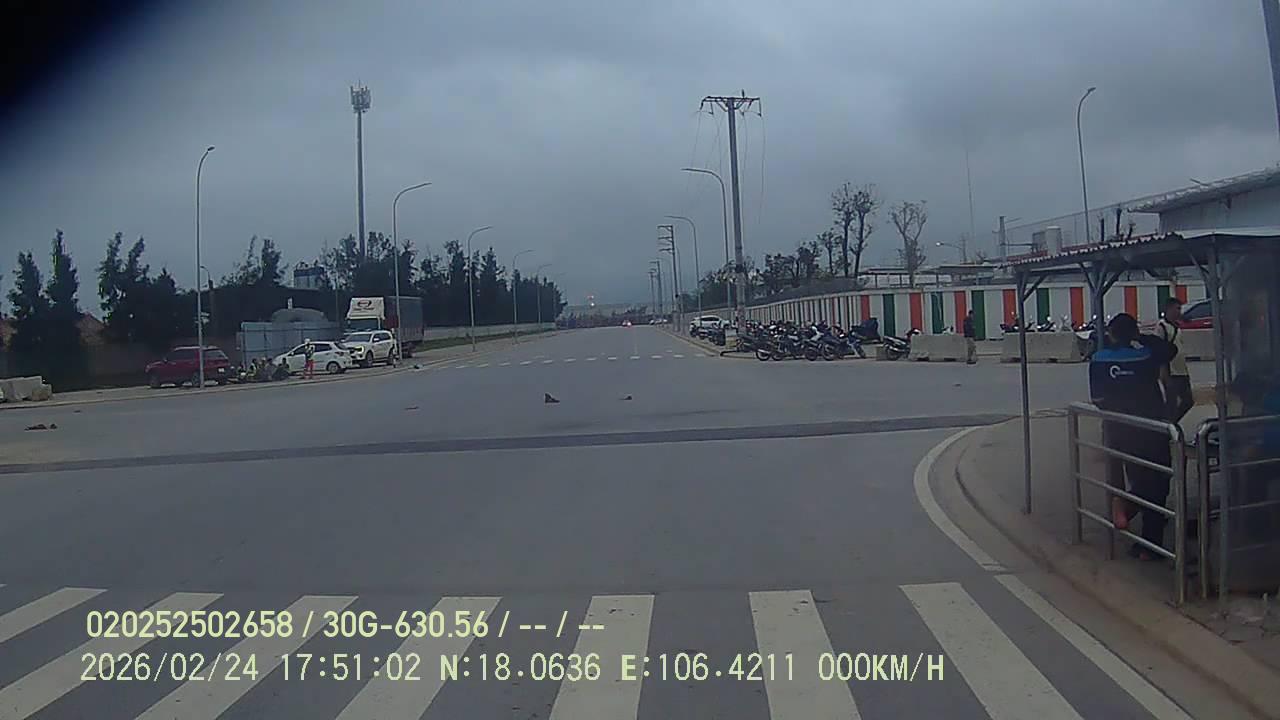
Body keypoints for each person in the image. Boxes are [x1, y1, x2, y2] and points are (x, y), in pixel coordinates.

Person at [1088, 313, 1178, 559]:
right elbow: (1170, 350)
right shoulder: (1146, 356)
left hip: (1120, 430)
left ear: (1111, 334)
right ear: (1133, 333)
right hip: (1152, 429)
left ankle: (1127, 509)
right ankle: (1144, 534)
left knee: (1139, 478)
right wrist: (1143, 337)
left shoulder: (1098, 360)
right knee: (1158, 482)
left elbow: (1098, 398)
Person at [1156, 296, 1193, 423]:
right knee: (1171, 403)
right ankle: (1168, 425)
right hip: (1171, 371)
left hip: (1181, 370)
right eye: (1177, 309)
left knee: (1188, 401)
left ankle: (1172, 423)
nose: (1179, 312)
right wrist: (1164, 373)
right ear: (1169, 309)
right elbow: (1160, 351)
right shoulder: (1162, 327)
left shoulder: (1177, 326)